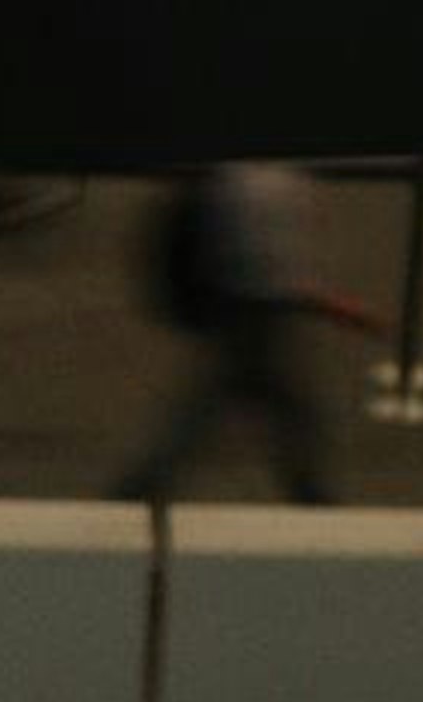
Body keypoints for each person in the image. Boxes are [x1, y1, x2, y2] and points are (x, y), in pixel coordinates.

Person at [109, 163, 389, 507]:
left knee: (217, 407)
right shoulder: (264, 184)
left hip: (241, 313)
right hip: (257, 318)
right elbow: (271, 273)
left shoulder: (246, 176)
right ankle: (313, 501)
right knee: (276, 411)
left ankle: (137, 488)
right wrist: (338, 308)